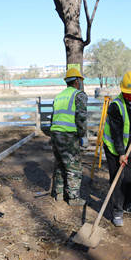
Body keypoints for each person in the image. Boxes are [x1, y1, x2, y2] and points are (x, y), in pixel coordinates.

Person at [102, 71, 131, 226]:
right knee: (117, 179)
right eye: (126, 94)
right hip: (113, 145)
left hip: (130, 142)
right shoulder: (116, 106)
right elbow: (115, 133)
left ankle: (127, 204)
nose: (130, 97)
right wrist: (121, 153)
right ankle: (117, 212)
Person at [50, 68, 88, 206]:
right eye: (81, 81)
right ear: (77, 81)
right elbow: (81, 118)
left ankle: (59, 194)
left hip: (55, 134)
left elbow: (52, 118)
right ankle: (73, 198)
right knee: (74, 167)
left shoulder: (59, 96)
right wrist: (83, 135)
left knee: (60, 164)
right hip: (69, 135)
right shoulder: (79, 95)